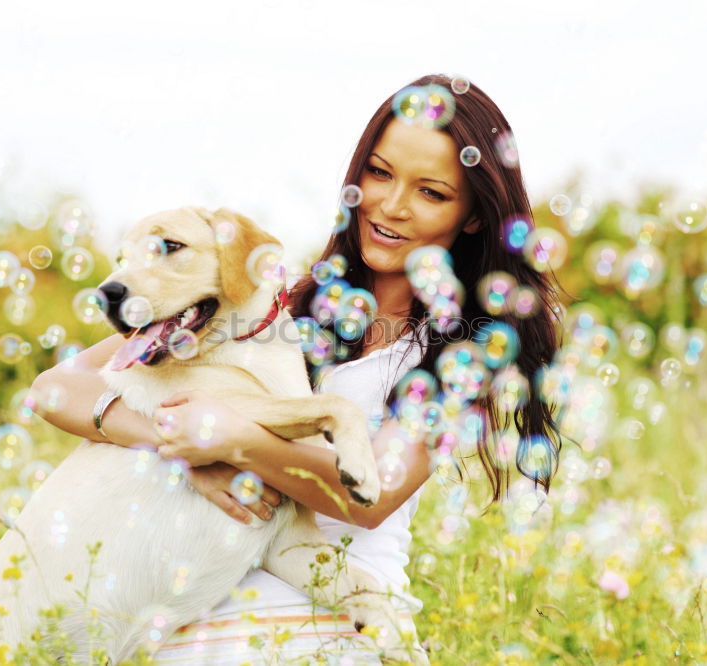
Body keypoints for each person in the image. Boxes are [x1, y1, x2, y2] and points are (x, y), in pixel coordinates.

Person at [31, 72, 562, 664]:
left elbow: (372, 495)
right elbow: (55, 389)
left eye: (430, 193)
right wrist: (173, 443)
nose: (391, 205)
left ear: (471, 216)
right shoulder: (276, 305)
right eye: (379, 173)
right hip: (195, 623)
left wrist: (234, 441)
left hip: (339, 624)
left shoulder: (462, 345)